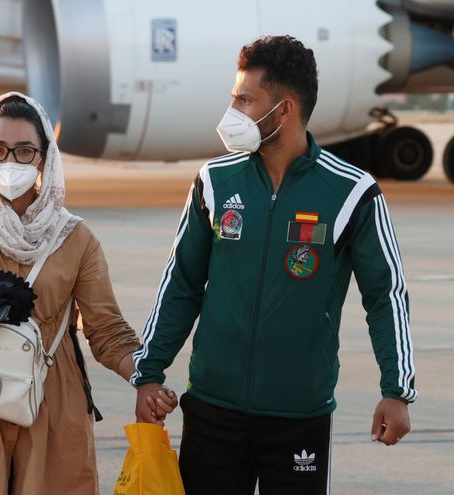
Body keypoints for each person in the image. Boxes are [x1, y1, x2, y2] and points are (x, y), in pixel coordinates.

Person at [131, 35, 416, 494]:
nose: (233, 111)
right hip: (212, 410)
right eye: (233, 97)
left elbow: (386, 296)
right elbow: (181, 284)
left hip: (298, 418)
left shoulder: (353, 193)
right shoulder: (214, 181)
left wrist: (396, 389)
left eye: (245, 100)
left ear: (283, 110)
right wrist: (149, 373)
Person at [0, 92, 140, 494]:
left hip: (53, 400)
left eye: (24, 151)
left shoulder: (74, 237)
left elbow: (106, 330)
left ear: (43, 158)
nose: (9, 162)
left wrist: (146, 379)